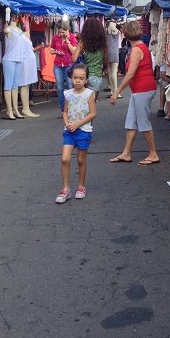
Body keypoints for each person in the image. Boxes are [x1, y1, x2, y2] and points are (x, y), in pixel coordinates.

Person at [109, 20, 160, 166]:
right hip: (141, 89)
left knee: (143, 122)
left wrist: (116, 91)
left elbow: (130, 74)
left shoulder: (137, 49)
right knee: (131, 121)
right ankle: (126, 153)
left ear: (125, 34)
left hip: (142, 89)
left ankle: (153, 154)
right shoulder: (141, 47)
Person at [56, 63, 97, 204]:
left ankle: (81, 186)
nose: (77, 81)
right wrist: (67, 123)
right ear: (71, 78)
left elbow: (93, 113)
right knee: (65, 159)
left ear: (86, 79)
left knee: (81, 160)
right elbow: (65, 111)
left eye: (81, 78)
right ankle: (66, 188)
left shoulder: (89, 94)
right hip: (69, 131)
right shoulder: (68, 93)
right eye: (75, 78)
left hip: (83, 131)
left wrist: (78, 124)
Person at [72, 18, 107, 101]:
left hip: (83, 76)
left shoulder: (83, 43)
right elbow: (105, 62)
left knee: (81, 105)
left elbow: (74, 58)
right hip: (97, 78)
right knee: (91, 106)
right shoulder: (103, 45)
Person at [50, 21, 78, 115]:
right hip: (58, 64)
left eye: (63, 32)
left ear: (67, 30)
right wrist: (56, 52)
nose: (61, 34)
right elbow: (51, 50)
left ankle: (72, 108)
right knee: (60, 88)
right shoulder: (55, 38)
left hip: (68, 64)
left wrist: (67, 42)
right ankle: (63, 110)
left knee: (70, 86)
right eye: (59, 32)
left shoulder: (72, 37)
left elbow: (74, 51)